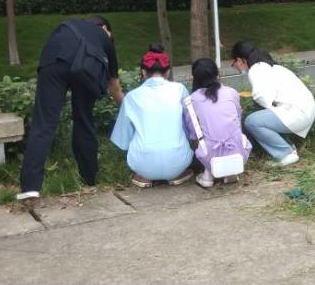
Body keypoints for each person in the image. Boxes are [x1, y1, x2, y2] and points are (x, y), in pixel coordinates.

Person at [17, 16, 124, 202]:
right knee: (84, 119)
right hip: (86, 67)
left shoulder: (68, 25)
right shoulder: (104, 37)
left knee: (43, 124)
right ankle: (89, 178)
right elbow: (114, 85)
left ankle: (30, 187)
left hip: (53, 61)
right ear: (105, 27)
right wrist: (126, 109)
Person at [110, 46, 194, 187]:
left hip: (142, 162)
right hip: (178, 160)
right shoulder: (180, 90)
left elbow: (123, 140)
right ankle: (176, 173)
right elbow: (189, 126)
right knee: (180, 154)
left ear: (143, 72)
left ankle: (144, 175)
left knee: (140, 154)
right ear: (167, 72)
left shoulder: (131, 97)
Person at [233, 42, 315, 167]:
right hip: (304, 110)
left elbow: (262, 98)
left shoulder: (256, 69)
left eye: (233, 64)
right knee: (267, 115)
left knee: (252, 121)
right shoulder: (269, 66)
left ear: (239, 60)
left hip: (297, 112)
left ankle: (285, 154)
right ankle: (289, 148)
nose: (236, 68)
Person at [183, 58, 252, 188]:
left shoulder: (191, 100)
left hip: (209, 155)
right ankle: (230, 172)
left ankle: (208, 174)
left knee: (202, 138)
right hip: (238, 153)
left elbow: (193, 133)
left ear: (193, 78)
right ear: (218, 74)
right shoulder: (231, 92)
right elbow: (238, 117)